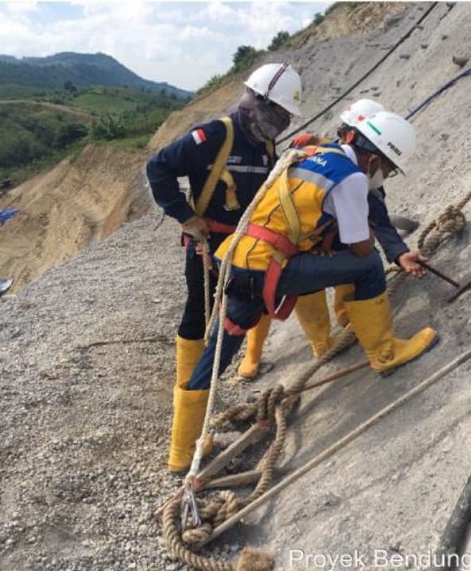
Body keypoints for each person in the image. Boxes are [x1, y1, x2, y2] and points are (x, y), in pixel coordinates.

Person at [167, 111, 439, 472]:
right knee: (369, 265)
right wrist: (367, 239)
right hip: (270, 267)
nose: (383, 177)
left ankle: (181, 451)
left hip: (237, 260)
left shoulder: (310, 154)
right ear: (373, 159)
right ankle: (385, 353)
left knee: (220, 348)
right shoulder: (351, 179)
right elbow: (359, 248)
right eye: (387, 170)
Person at [146, 63, 303, 473]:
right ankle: (186, 434)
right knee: (199, 315)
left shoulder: (265, 146)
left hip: (246, 245)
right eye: (280, 115)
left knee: (257, 300)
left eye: (287, 119)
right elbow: (158, 167)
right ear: (257, 103)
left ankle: (249, 360)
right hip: (207, 245)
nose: (282, 124)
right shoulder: (215, 135)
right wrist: (184, 216)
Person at [289, 99, 426, 358]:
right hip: (294, 245)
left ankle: (349, 318)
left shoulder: (352, 170)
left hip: (312, 239)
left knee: (354, 252)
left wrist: (398, 253)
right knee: (361, 260)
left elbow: (377, 216)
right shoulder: (337, 167)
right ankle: (324, 342)